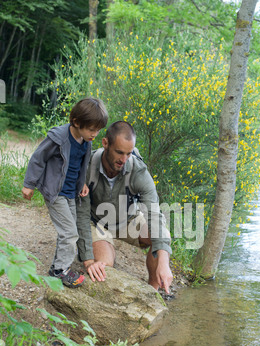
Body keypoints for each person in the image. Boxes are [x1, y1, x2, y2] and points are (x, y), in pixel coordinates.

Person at [76, 121, 173, 294]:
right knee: (105, 267)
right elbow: (81, 216)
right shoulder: (87, 166)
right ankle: (105, 249)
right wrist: (88, 259)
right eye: (119, 152)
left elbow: (154, 214)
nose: (123, 160)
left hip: (126, 219)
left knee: (162, 236)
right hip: (96, 223)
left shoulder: (138, 171)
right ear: (105, 143)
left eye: (128, 154)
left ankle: (153, 292)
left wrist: (164, 263)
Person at [22, 97, 108, 288]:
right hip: (55, 191)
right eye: (92, 129)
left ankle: (56, 266)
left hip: (71, 192)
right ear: (76, 122)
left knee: (71, 230)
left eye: (98, 130)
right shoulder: (58, 138)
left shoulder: (86, 140)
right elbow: (38, 158)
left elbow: (82, 164)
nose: (95, 134)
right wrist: (29, 184)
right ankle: (60, 271)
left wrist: (83, 183)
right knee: (69, 233)